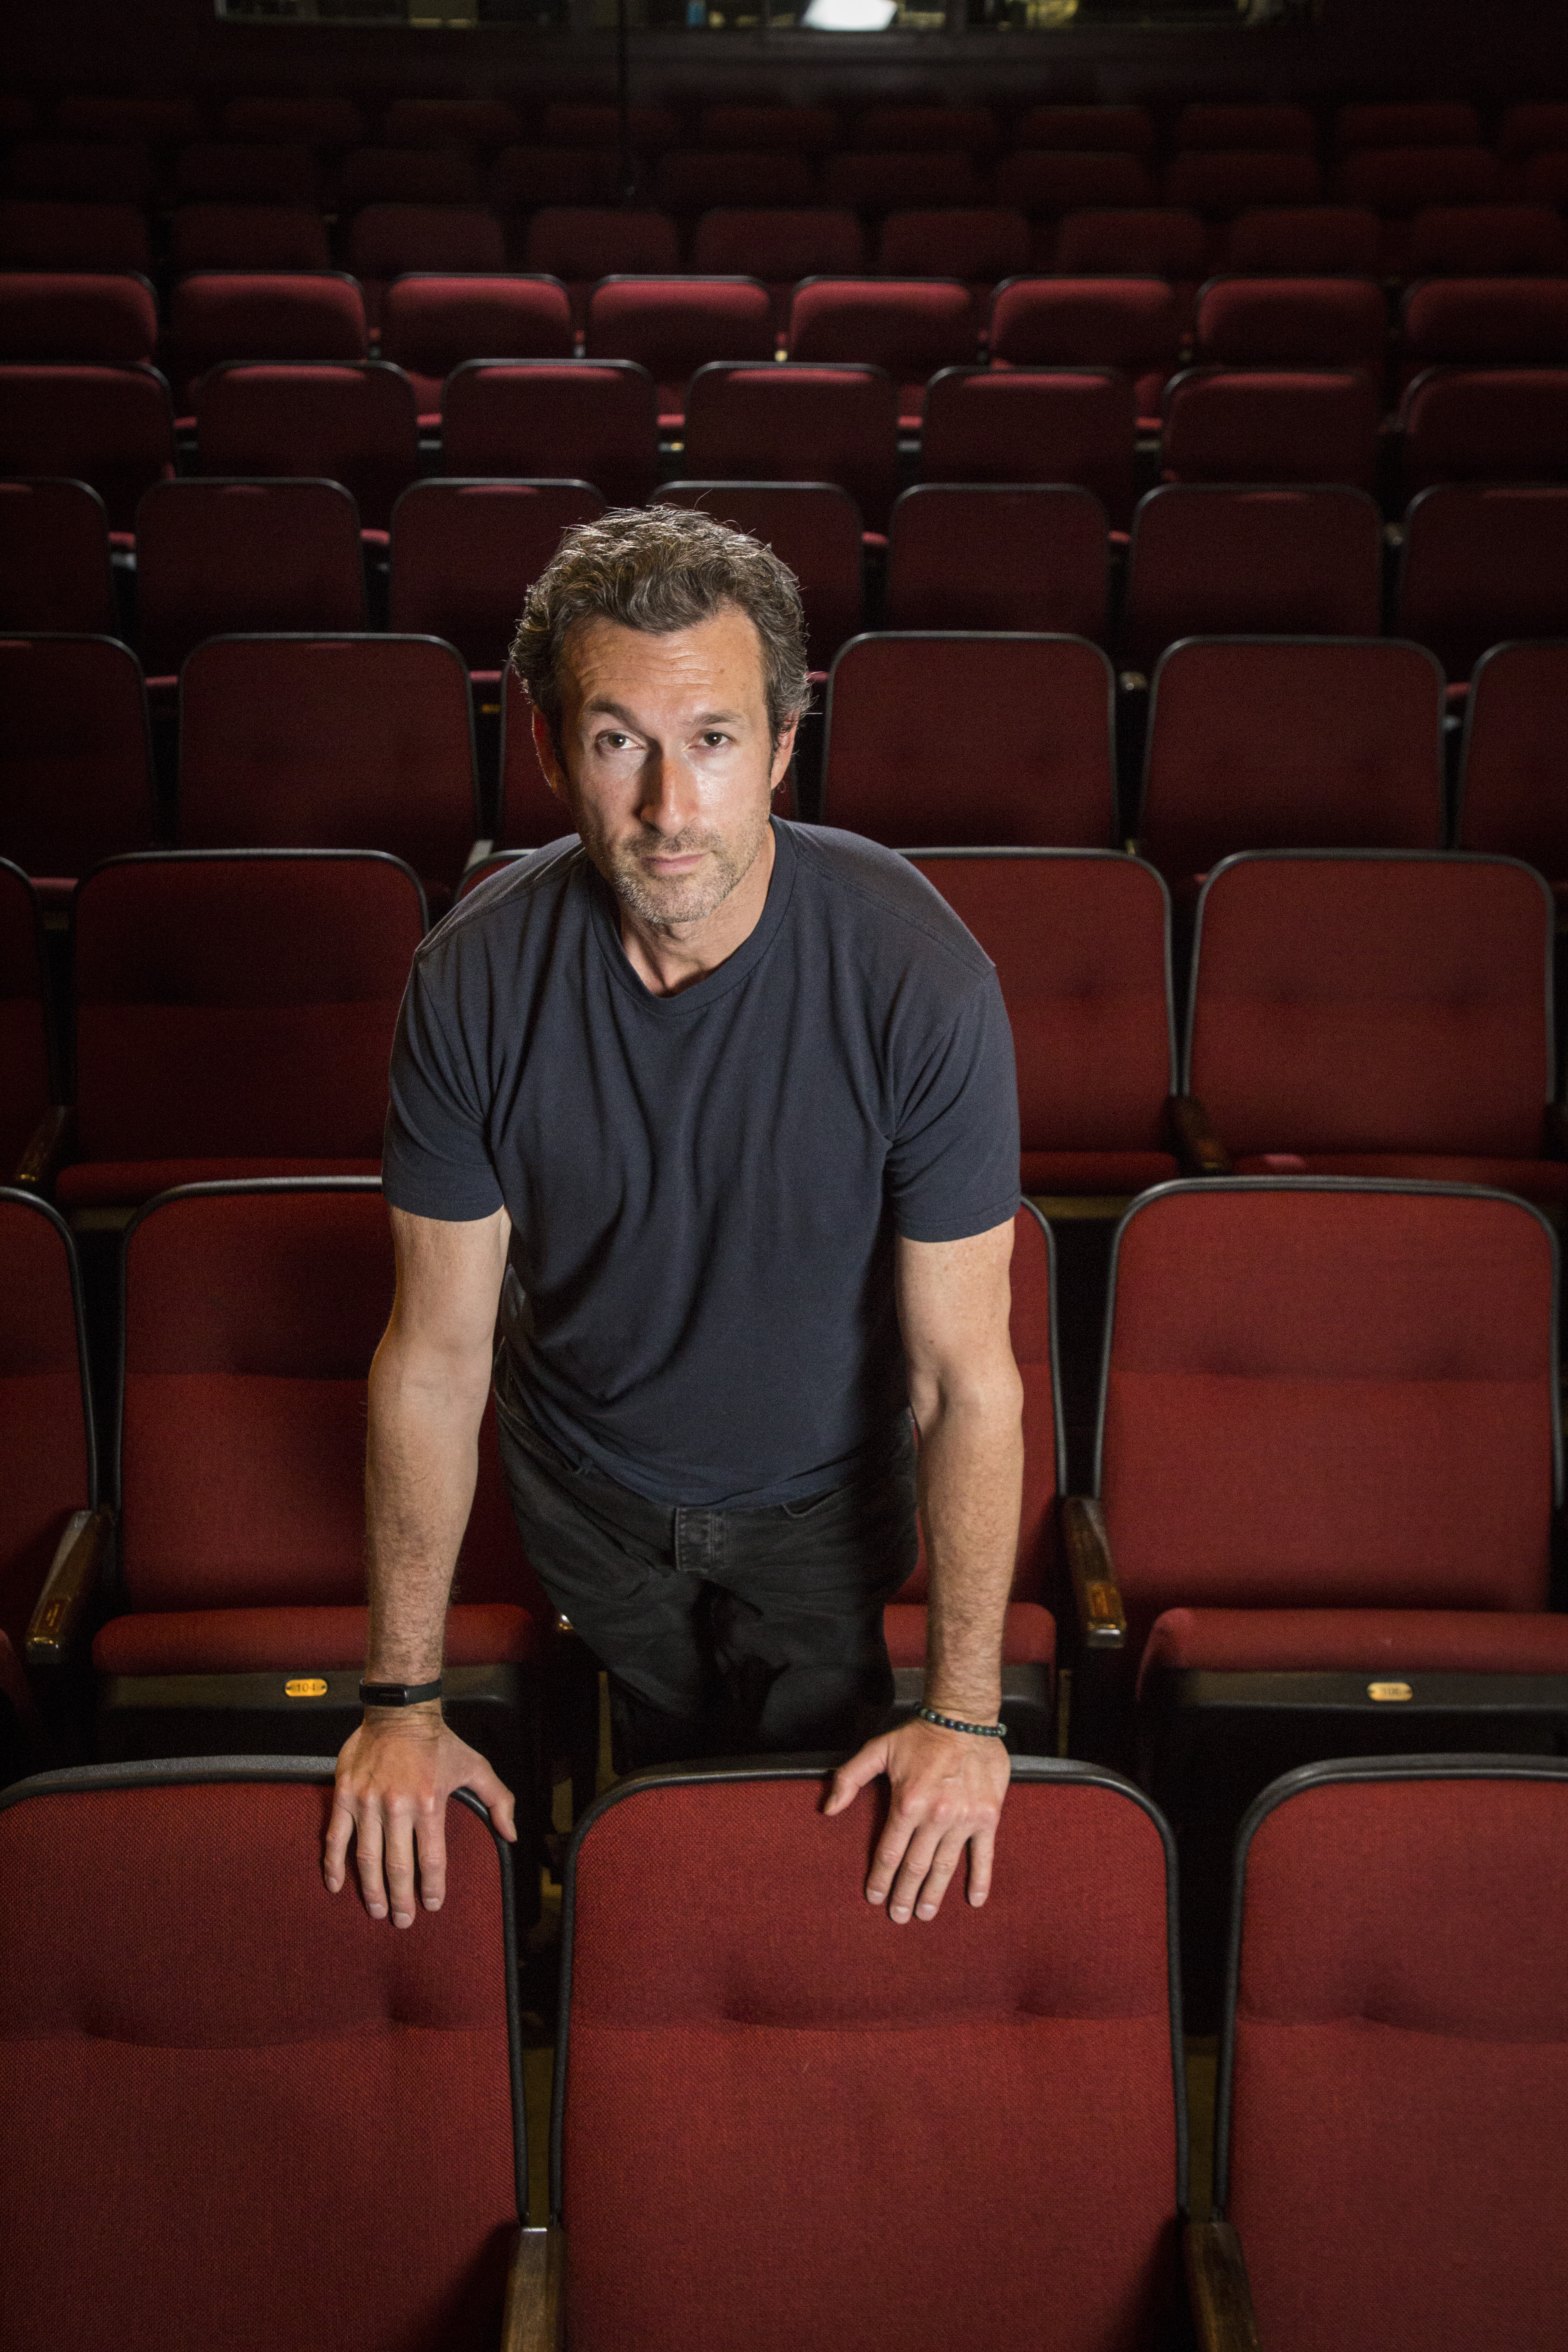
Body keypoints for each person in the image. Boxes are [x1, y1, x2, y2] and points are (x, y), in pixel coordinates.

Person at [323, 506, 1024, 1936]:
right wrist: (399, 1698)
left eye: (711, 740)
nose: (667, 808)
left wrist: (971, 1714)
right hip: (590, 1496)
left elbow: (966, 1378)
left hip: (825, 1505)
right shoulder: (469, 982)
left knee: (823, 1841)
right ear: (546, 750)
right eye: (617, 740)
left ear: (780, 745)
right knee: (657, 1815)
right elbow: (435, 1357)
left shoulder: (920, 978)